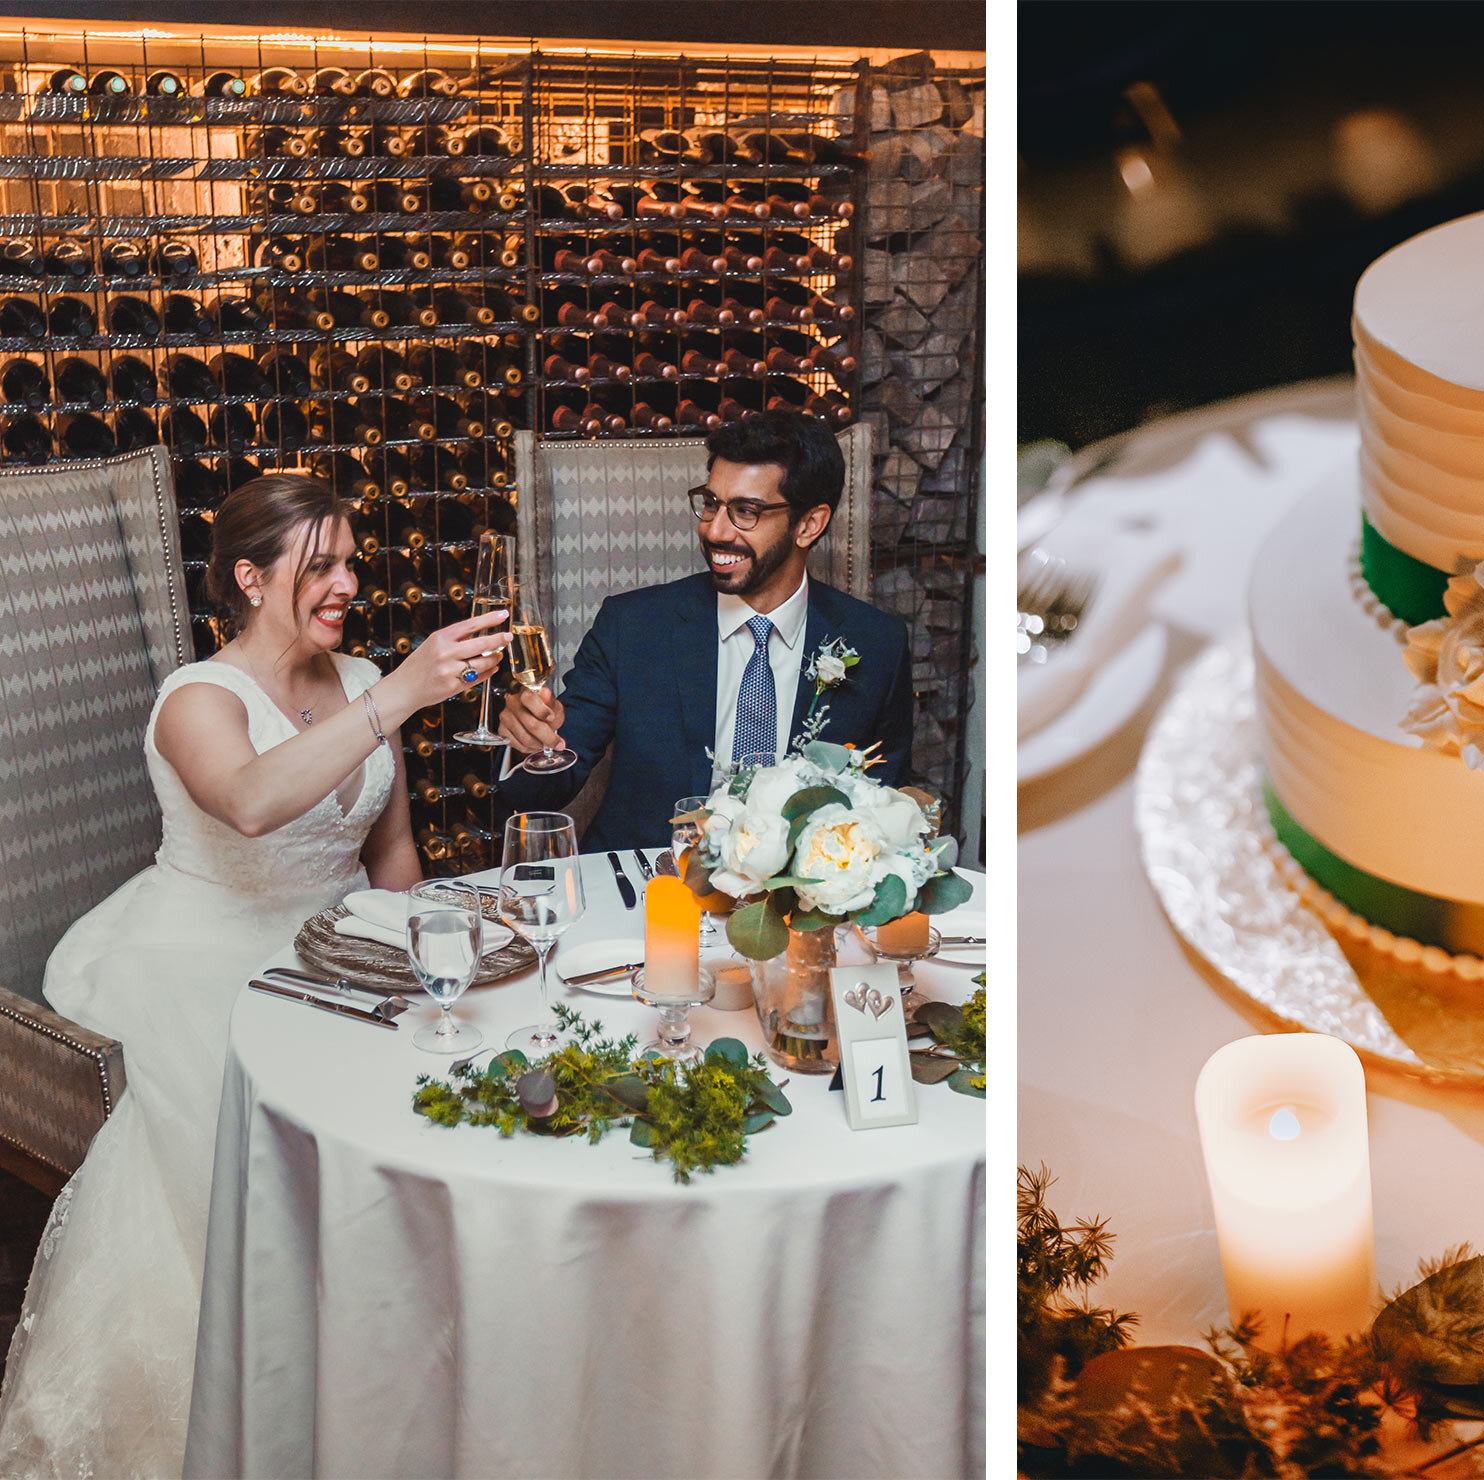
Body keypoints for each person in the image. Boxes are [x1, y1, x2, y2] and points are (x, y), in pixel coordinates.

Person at [0, 473, 507, 1477]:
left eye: (351, 561)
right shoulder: (198, 696)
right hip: (200, 954)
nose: (347, 583)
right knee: (261, 1137)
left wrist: (422, 960)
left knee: (437, 1085)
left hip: (340, 942)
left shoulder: (359, 673)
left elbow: (391, 852)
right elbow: (247, 804)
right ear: (247, 576)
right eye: (319, 565)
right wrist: (403, 690)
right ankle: (268, 1398)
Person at [496, 411, 915, 848]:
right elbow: (537, 790)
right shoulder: (634, 627)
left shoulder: (876, 644)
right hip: (648, 892)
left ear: (809, 524)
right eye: (711, 503)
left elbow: (882, 807)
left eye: (746, 512)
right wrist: (527, 744)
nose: (714, 530)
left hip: (798, 902)